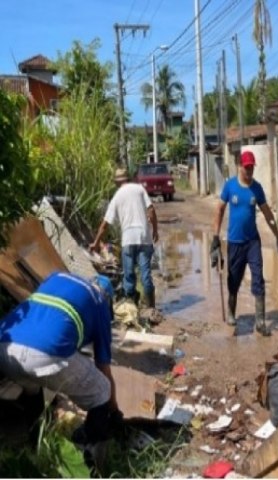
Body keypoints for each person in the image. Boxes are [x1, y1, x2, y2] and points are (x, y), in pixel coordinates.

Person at [0, 272, 122, 451]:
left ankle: (36, 444)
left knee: (32, 386)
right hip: (45, 351)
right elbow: (103, 367)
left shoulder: (57, 277)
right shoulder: (100, 302)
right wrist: (114, 411)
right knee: (102, 389)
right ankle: (89, 453)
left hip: (4, 345)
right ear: (108, 297)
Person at [210, 151, 278, 336]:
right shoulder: (230, 186)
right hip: (234, 242)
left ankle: (260, 321)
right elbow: (219, 210)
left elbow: (268, 214)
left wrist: (277, 235)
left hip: (252, 242)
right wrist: (215, 238)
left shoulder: (257, 189)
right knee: (233, 280)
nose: (250, 170)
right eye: (247, 167)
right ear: (240, 166)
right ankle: (231, 313)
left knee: (258, 277)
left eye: (252, 167)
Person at [90, 168, 159, 307]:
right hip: (144, 237)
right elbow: (151, 210)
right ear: (128, 179)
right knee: (145, 275)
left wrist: (96, 242)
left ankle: (132, 308)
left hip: (128, 239)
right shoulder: (139, 189)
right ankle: (152, 307)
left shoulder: (117, 196)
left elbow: (105, 224)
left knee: (129, 276)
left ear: (116, 182)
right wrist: (155, 231)